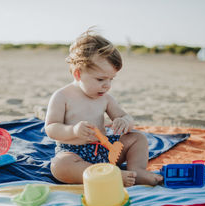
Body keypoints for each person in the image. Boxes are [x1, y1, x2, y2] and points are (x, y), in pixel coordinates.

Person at [44, 29, 163, 187]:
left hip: (105, 149)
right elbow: (51, 128)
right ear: (78, 74)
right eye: (100, 79)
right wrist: (72, 131)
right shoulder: (62, 96)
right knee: (59, 166)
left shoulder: (105, 98)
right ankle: (108, 175)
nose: (107, 85)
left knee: (138, 138)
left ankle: (137, 171)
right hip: (74, 152)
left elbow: (126, 118)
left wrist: (124, 121)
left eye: (111, 79)